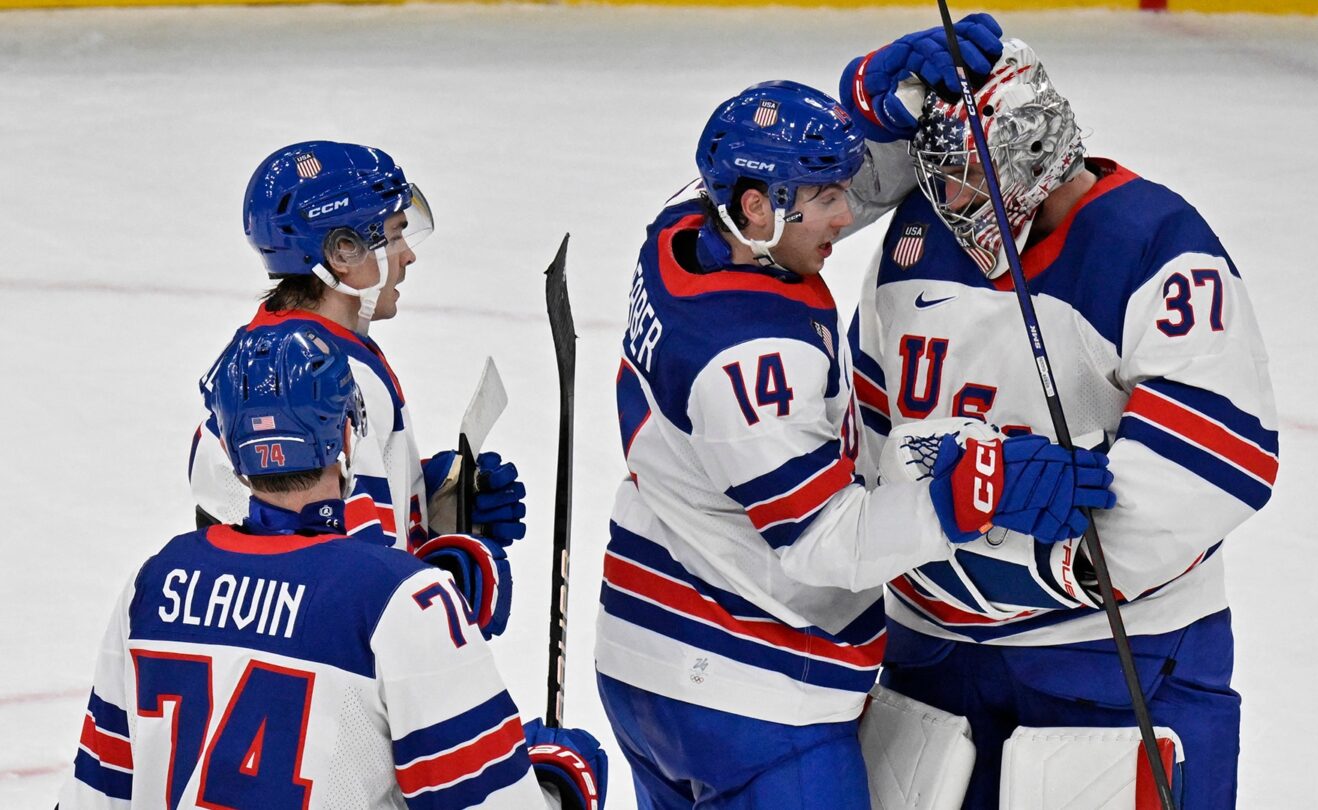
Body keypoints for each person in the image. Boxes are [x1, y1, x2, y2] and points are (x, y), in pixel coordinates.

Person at [591, 64, 1115, 808]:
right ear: (758, 209)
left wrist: (882, 104)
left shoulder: (684, 228)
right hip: (750, 693)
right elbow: (823, 540)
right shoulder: (753, 364)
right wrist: (971, 494)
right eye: (825, 199)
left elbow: (809, 184)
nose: (846, 213)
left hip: (644, 661)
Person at [841, 32, 1280, 810]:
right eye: (939, 179)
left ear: (1031, 147)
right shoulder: (913, 244)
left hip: (1111, 662)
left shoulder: (1154, 245)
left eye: (968, 177)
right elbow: (867, 434)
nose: (950, 201)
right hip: (931, 655)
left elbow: (1216, 461)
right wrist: (914, 539)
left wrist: (1058, 563)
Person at [59, 323, 606, 809]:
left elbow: (93, 794)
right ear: (347, 433)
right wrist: (559, 785)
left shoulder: (152, 584)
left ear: (228, 447)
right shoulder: (401, 598)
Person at [188, 141, 526, 627]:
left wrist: (424, 498)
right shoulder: (332, 376)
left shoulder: (278, 359)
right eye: (393, 235)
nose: (407, 255)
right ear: (342, 251)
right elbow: (328, 593)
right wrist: (443, 592)